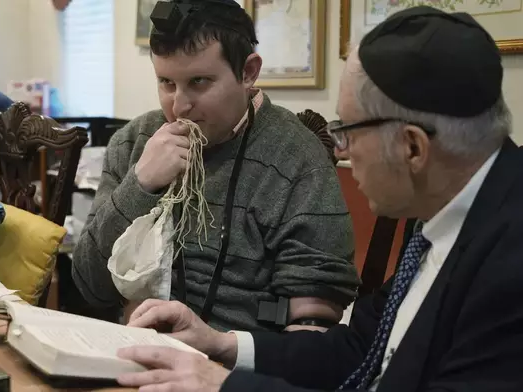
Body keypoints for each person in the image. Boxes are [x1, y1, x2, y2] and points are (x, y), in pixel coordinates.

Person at [111, 6, 523, 392]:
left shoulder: (508, 267)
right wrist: (221, 344)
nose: (339, 151)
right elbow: (359, 349)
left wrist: (222, 384)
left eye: (349, 132)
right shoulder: (447, 217)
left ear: (412, 148)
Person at [71, 0, 360, 332]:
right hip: (134, 353)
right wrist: (140, 184)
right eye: (166, 82)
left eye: (199, 82)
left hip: (235, 367)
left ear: (248, 72)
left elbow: (311, 326)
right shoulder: (133, 142)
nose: (179, 106)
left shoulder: (297, 158)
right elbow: (90, 287)